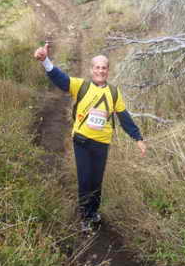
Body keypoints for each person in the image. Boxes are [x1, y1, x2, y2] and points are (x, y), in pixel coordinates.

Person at [34, 42, 146, 232]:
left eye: (104, 68)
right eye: (97, 67)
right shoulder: (81, 86)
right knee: (85, 179)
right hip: (82, 141)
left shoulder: (114, 92)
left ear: (108, 71)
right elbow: (61, 79)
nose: (100, 71)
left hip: (102, 143)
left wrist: (138, 138)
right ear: (91, 69)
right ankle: (85, 217)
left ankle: (93, 212)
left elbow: (124, 117)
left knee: (96, 181)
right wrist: (45, 61)